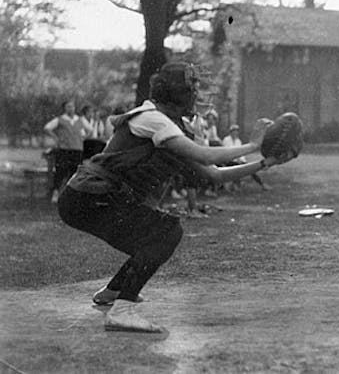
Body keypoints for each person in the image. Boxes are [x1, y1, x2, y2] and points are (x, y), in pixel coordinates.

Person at [56, 61, 294, 333]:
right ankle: (123, 310)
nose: (196, 94)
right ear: (176, 93)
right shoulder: (152, 117)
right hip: (88, 196)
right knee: (167, 232)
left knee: (154, 236)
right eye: (191, 89)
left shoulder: (168, 123)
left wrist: (265, 162)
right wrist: (253, 145)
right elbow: (206, 155)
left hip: (87, 198)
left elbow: (213, 174)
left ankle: (112, 293)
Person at [43, 100, 85, 204]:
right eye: (68, 107)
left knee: (75, 173)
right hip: (64, 150)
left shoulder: (79, 120)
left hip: (77, 150)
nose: (71, 108)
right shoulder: (60, 119)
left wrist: (81, 138)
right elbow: (47, 128)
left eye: (72, 106)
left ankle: (72, 196)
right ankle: (56, 193)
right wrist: (56, 138)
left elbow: (88, 130)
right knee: (61, 171)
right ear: (65, 108)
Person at [222, 124, 270, 191]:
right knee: (237, 167)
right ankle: (236, 185)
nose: (235, 133)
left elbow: (240, 153)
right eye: (233, 131)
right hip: (229, 161)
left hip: (239, 161)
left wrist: (241, 160)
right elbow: (226, 153)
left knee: (251, 169)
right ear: (231, 132)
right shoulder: (226, 140)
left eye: (236, 131)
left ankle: (262, 184)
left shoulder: (238, 141)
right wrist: (236, 159)